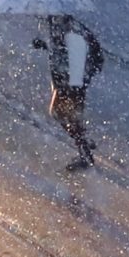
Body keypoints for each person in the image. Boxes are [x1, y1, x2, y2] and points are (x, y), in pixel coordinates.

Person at [33, 13, 106, 170]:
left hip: (70, 81)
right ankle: (83, 144)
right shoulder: (74, 29)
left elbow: (62, 53)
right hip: (76, 80)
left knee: (59, 113)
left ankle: (84, 150)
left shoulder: (63, 30)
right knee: (72, 117)